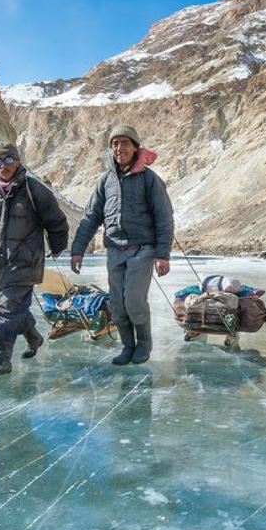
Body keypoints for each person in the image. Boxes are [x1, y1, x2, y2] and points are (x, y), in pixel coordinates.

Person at [0, 141, 70, 375]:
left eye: (8, 160)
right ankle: (34, 338)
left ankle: (3, 360)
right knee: (16, 309)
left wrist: (57, 245)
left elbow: (56, 221)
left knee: (7, 310)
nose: (3, 166)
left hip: (26, 262)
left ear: (18, 161)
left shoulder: (34, 190)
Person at [70, 123, 174, 365]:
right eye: (114, 144)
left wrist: (163, 253)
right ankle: (127, 346)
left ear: (136, 147)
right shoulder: (105, 181)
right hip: (115, 250)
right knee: (117, 304)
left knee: (134, 300)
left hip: (143, 249)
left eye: (125, 142)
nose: (119, 148)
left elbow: (164, 217)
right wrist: (78, 250)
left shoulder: (149, 179)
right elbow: (90, 217)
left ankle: (144, 345)